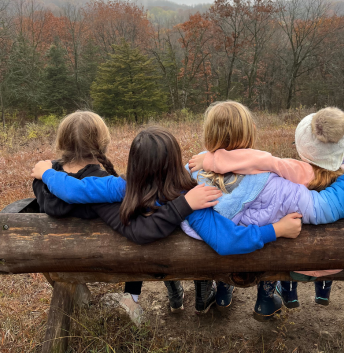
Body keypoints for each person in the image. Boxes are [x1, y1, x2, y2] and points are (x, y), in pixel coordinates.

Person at [31, 126, 302, 316]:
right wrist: (276, 229)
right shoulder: (191, 197)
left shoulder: (123, 187)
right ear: (175, 160)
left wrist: (46, 173)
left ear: (134, 163)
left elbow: (75, 191)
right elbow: (227, 241)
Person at [182, 101, 344, 321]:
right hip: (253, 252)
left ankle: (223, 295)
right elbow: (323, 207)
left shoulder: (191, 170)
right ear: (250, 132)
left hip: (201, 254)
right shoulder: (273, 184)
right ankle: (265, 300)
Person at [32, 112, 223, 324]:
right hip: (123, 260)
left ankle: (165, 289)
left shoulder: (43, 178)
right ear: (102, 143)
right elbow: (138, 230)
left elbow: (70, 189)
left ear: (62, 143)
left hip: (63, 263)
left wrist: (47, 173)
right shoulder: (104, 191)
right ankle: (188, 286)